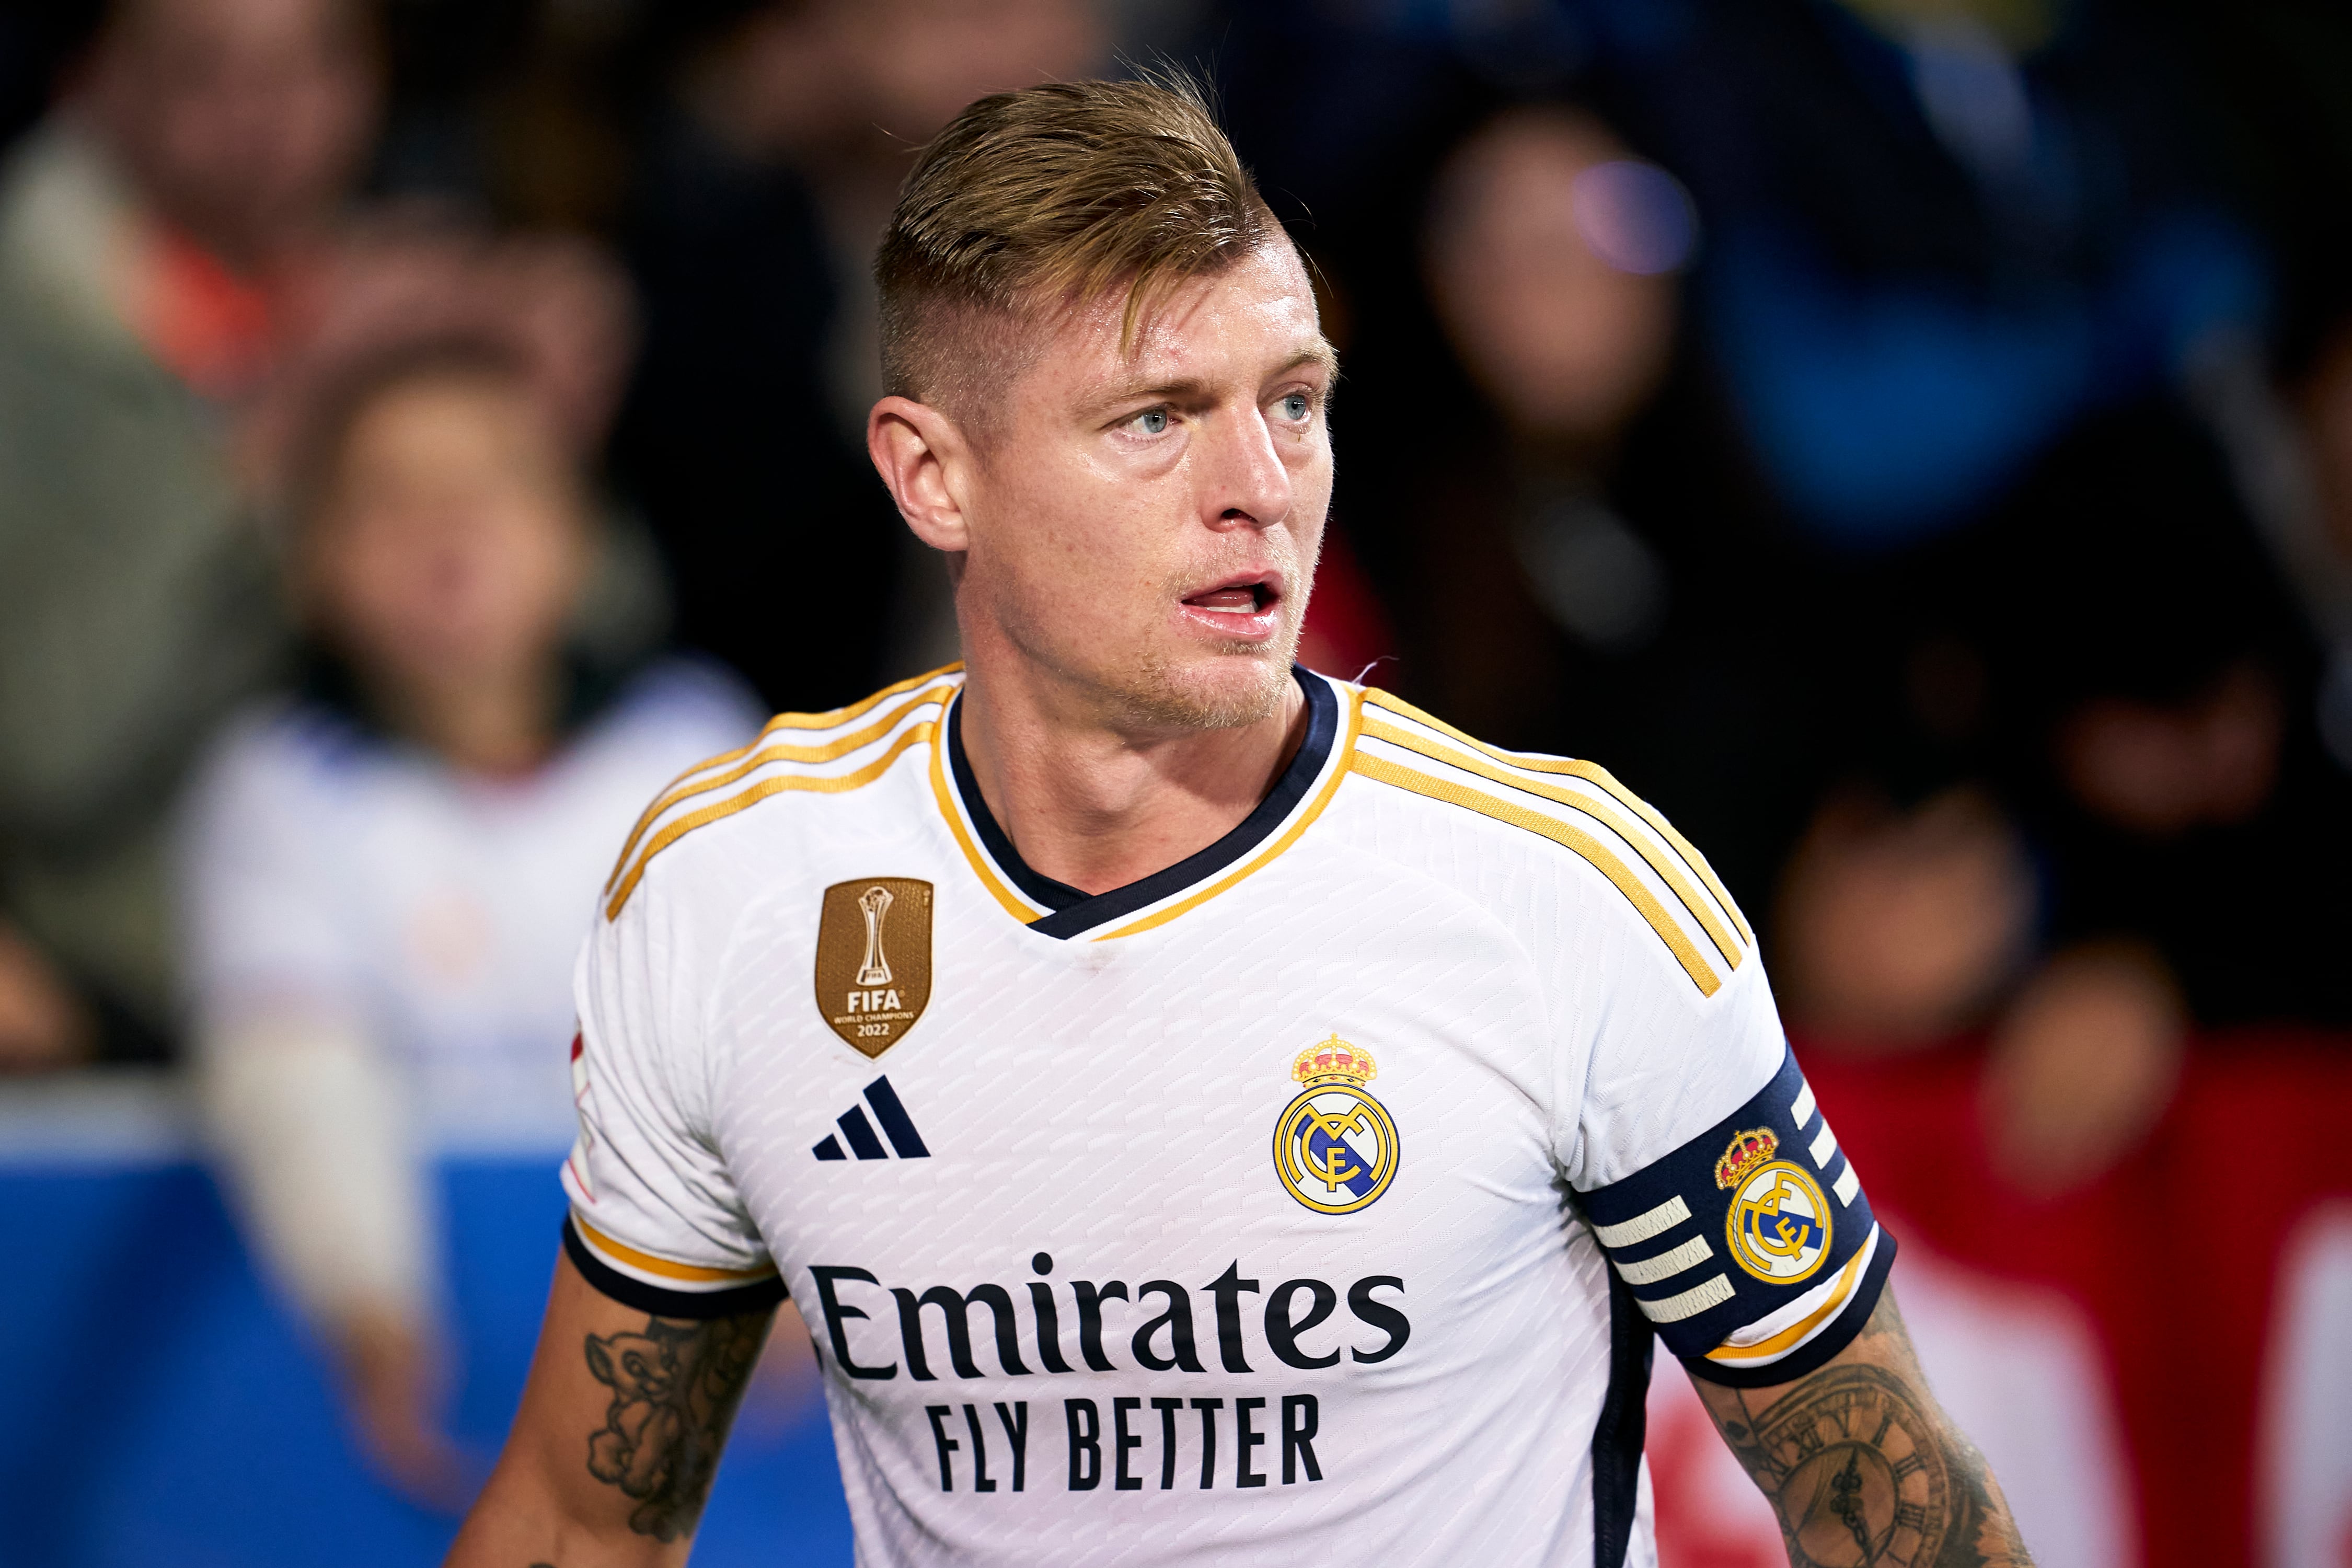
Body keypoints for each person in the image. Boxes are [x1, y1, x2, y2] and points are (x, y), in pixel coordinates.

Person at [449, 78, 2033, 1565]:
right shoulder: (735, 894)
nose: (1257, 485)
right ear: (933, 478)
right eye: (1153, 417)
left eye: (1293, 400)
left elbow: (1885, 1501)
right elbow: (584, 1524)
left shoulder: (1567, 900)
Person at [181, 336, 766, 1506]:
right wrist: (371, 1300)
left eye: (496, 479)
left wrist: (791, 1252)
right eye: (390, 497)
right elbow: (293, 1069)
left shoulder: (699, 752)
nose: (449, 526)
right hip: (432, 1386)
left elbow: (783, 1042)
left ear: (580, 532)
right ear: (309, 559)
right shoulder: (278, 793)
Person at [0, 0, 377, 1068]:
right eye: (205, 72)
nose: (265, 117)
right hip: (115, 1001)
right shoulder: (31, 338)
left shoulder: (400, 293)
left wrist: (524, 439)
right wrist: (261, 460)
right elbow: (48, 753)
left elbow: (582, 675)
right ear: (100, 87)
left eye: (310, 67)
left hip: (419, 976)